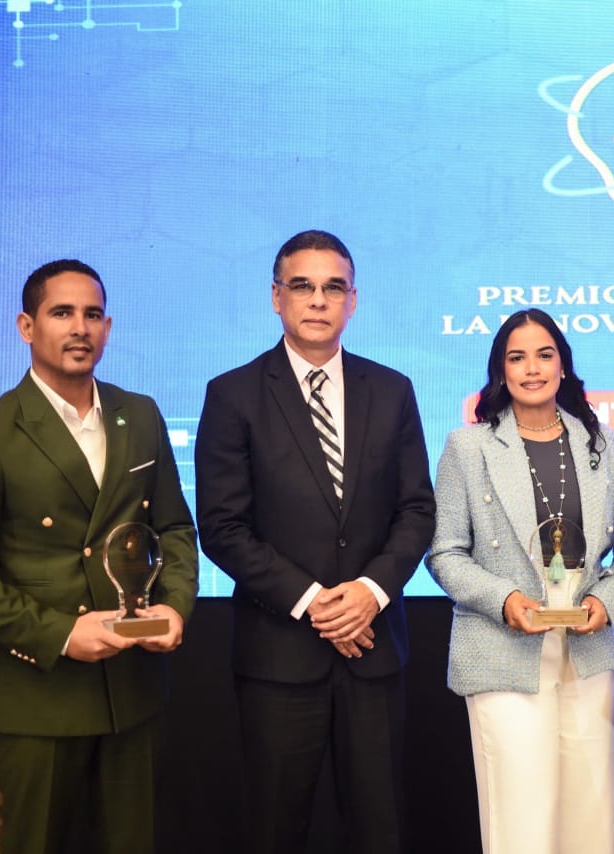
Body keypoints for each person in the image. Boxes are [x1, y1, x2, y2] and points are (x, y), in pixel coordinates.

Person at [194, 230, 435, 853]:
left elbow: (416, 509)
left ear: (353, 300)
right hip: (278, 658)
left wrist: (369, 592)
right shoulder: (233, 394)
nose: (319, 300)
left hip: (373, 650)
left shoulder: (393, 390)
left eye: (334, 287)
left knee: (380, 830)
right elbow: (222, 527)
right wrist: (317, 603)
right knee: (275, 831)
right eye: (302, 286)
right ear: (277, 297)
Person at [0, 259, 197, 854]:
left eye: (92, 314)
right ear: (26, 327)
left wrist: (174, 607)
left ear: (108, 328)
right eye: (62, 313)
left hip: (132, 689)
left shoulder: (140, 414)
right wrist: (60, 634)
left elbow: (174, 528)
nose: (79, 327)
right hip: (38, 691)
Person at [426, 309, 614, 854]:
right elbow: (444, 553)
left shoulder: (600, 443)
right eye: (517, 358)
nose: (532, 369)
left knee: (591, 815)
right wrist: (505, 600)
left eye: (545, 355)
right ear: (500, 370)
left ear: (563, 365)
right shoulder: (468, 447)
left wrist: (607, 599)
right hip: (503, 646)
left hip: (587, 646)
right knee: (520, 819)